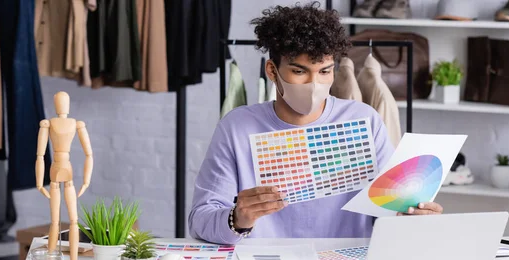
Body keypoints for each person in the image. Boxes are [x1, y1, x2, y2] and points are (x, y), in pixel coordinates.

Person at [188, 1, 443, 245]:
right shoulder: (237, 127)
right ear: (272, 71)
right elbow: (200, 220)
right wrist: (237, 219)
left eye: (324, 71)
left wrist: (409, 216)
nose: (314, 85)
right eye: (299, 71)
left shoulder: (364, 120)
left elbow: (389, 210)